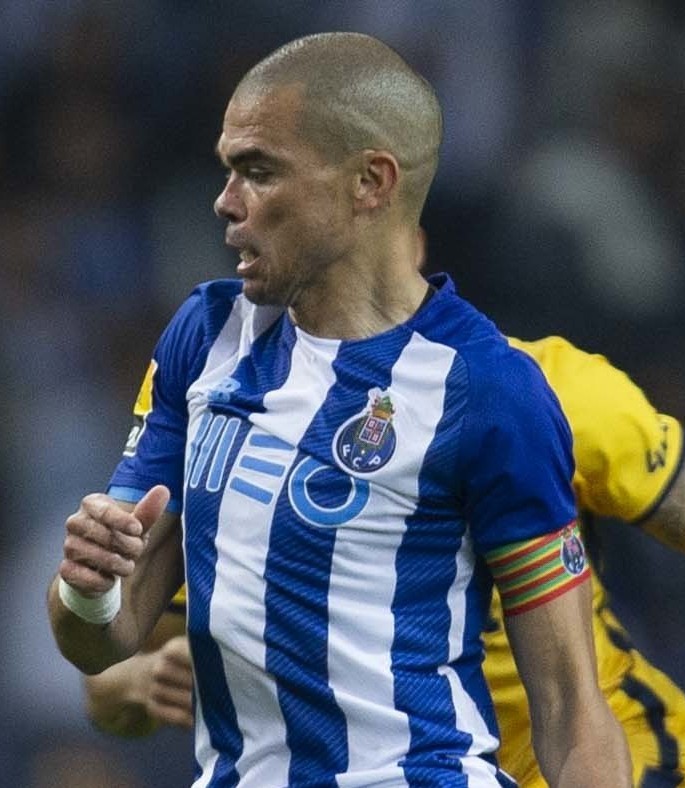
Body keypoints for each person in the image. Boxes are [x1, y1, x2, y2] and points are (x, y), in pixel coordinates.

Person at [47, 31, 631, 788]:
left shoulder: (487, 390)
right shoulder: (206, 335)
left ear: (370, 183)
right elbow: (104, 639)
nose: (226, 201)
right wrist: (88, 586)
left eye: (259, 172)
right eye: (229, 170)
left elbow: (570, 707)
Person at [83, 336, 685, 788]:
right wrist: (141, 683)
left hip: (620, 755)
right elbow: (105, 679)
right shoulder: (253, 454)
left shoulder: (550, 394)